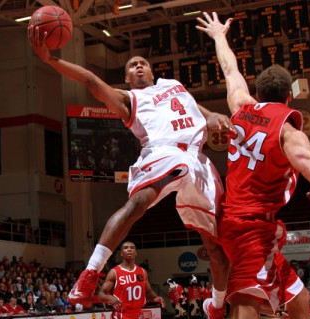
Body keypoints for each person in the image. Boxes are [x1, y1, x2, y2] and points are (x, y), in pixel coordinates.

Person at [29, 22, 233, 316]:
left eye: (143, 63)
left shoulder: (174, 85)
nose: (138, 67)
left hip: (199, 161)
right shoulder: (130, 100)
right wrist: (50, 58)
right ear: (127, 77)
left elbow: (195, 108)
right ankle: (89, 275)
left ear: (152, 72)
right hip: (165, 151)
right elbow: (89, 81)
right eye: (132, 65)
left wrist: (213, 115)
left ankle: (216, 304)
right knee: (139, 202)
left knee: (216, 248)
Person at [196, 12, 310, 319]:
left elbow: (230, 69)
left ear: (258, 94)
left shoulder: (241, 105)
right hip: (249, 225)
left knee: (299, 298)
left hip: (248, 220)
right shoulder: (287, 130)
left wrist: (219, 36)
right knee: (247, 301)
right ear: (288, 99)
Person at [98, 241, 164, 319]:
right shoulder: (114, 272)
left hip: (138, 313)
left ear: (136, 253)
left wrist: (155, 298)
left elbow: (148, 291)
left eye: (132, 248)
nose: (129, 249)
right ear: (121, 253)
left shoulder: (142, 272)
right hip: (121, 314)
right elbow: (101, 295)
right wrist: (109, 298)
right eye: (126, 248)